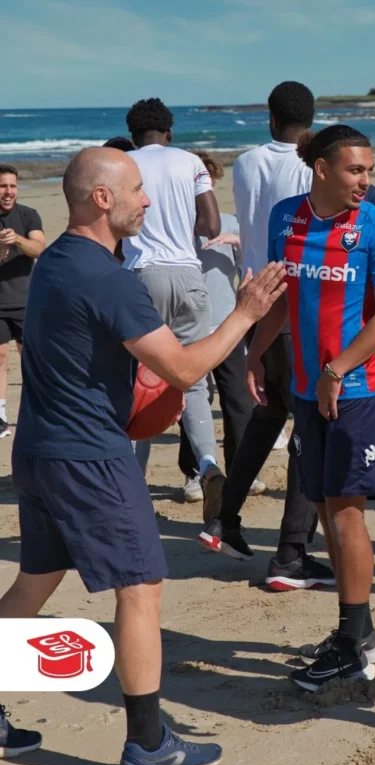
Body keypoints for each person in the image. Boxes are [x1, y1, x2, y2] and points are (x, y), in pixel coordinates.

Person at [0, 147, 286, 765]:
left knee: (34, 582)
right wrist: (245, 313)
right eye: (135, 189)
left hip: (40, 450)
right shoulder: (105, 277)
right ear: (102, 199)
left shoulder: (54, 261)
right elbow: (184, 367)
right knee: (140, 589)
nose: (148, 199)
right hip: (90, 459)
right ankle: (149, 743)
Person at [245, 125, 375, 688]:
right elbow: (283, 297)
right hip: (306, 389)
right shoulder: (285, 219)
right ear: (321, 168)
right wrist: (254, 353)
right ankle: (359, 633)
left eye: (369, 170)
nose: (366, 180)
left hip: (357, 392)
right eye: (355, 170)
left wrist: (337, 370)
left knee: (345, 514)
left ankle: (351, 642)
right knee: (320, 506)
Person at [199, 81, 334, 594]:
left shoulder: (247, 161)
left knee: (270, 412)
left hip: (255, 295)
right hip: (295, 303)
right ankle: (291, 555)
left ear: (270, 117)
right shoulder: (311, 164)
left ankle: (224, 519)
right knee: (307, 427)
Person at [121, 98, 225, 523]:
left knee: (137, 380)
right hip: (189, 275)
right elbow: (212, 226)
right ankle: (207, 466)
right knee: (194, 379)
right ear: (169, 131)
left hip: (142, 276)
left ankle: (131, 486)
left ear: (133, 134)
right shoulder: (190, 162)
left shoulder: (122, 164)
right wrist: (183, 225)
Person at [177, 151, 265, 503]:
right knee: (192, 398)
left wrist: (238, 240)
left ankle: (244, 470)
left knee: (239, 401)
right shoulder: (175, 227)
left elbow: (253, 266)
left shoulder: (230, 222)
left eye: (208, 184)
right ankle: (196, 473)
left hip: (229, 326)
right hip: (188, 327)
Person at [0, 164, 45, 438]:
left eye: (12, 186)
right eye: (3, 186)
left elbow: (39, 248)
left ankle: (36, 410)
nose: (8, 192)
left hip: (25, 300)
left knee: (30, 357)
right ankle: (0, 415)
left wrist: (16, 239)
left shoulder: (28, 215)